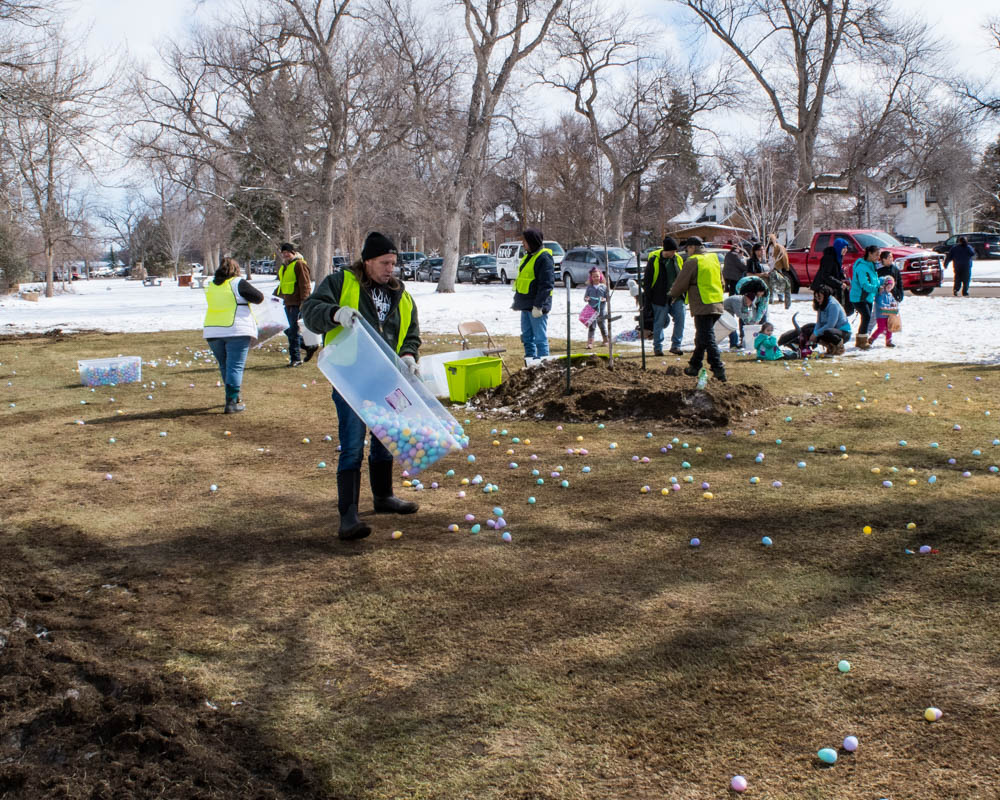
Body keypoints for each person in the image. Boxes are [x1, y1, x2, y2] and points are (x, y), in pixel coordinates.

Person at [301, 232, 421, 541]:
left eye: (393, 263)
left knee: (385, 438)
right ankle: (349, 516)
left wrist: (408, 355)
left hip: (386, 379)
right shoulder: (342, 283)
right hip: (350, 378)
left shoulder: (401, 295)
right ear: (367, 261)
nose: (389, 269)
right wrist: (334, 314)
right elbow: (310, 311)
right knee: (352, 444)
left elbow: (411, 333)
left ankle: (383, 497)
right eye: (384, 263)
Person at [203, 257, 265, 413]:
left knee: (225, 366)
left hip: (212, 330)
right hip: (236, 329)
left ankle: (233, 397)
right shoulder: (238, 283)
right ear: (236, 269)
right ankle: (231, 402)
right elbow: (259, 298)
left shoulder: (211, 285)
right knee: (235, 366)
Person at [668, 236, 727, 382]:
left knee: (708, 338)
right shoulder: (713, 258)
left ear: (693, 247)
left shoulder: (693, 261)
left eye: (687, 248)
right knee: (702, 337)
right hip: (717, 303)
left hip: (703, 305)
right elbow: (722, 282)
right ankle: (694, 366)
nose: (687, 251)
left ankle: (718, 369)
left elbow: (680, 283)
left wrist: (671, 295)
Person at [511, 227, 555, 365]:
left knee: (540, 339)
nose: (523, 244)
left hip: (537, 307)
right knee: (527, 338)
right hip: (525, 305)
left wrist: (538, 305)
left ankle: (544, 366)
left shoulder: (544, 258)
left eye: (525, 241)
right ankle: (530, 364)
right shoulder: (528, 257)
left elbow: (546, 284)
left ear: (532, 241)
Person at [642, 235, 685, 355]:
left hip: (677, 296)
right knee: (659, 322)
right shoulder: (654, 261)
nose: (674, 253)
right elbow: (647, 281)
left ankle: (676, 345)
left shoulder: (678, 259)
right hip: (659, 297)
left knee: (680, 320)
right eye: (672, 251)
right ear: (667, 250)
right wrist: (649, 299)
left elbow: (681, 276)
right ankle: (658, 348)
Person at [276, 242, 316, 366]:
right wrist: (275, 297)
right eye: (283, 253)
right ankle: (308, 346)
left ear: (293, 252)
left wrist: (304, 301)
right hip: (287, 302)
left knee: (292, 331)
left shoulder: (299, 264)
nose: (285, 254)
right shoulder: (285, 266)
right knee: (286, 329)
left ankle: (296, 359)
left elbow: (305, 284)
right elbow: (283, 284)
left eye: (287, 252)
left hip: (297, 303)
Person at [722, 275, 769, 350]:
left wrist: (756, 320)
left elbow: (762, 307)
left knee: (762, 318)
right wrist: (747, 320)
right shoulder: (742, 290)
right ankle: (744, 339)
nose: (760, 295)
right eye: (759, 294)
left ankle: (763, 340)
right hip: (740, 301)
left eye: (762, 294)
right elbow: (741, 310)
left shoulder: (765, 293)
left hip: (750, 299)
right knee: (744, 319)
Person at [849, 244, 881, 350]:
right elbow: (864, 285)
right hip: (858, 297)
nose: (878, 257)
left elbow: (874, 280)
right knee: (866, 316)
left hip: (868, 297)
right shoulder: (862, 267)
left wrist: (882, 283)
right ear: (870, 254)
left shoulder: (871, 266)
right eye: (876, 255)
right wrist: (877, 289)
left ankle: (862, 340)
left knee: (866, 318)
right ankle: (862, 341)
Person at [807, 285, 852, 355]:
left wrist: (816, 334)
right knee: (809, 328)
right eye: (816, 297)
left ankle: (839, 346)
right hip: (830, 329)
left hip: (843, 332)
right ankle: (830, 347)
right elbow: (819, 322)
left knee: (827, 331)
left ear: (825, 296)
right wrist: (814, 333)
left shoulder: (833, 305)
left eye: (819, 297)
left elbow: (830, 325)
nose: (817, 300)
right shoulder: (821, 304)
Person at [811, 237, 851, 311]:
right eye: (844, 248)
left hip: (831, 288)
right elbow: (825, 275)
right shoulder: (829, 258)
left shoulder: (838, 257)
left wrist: (843, 278)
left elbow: (836, 272)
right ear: (839, 247)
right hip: (823, 289)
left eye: (846, 248)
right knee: (825, 312)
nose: (846, 250)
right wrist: (839, 284)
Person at [869, 275, 900, 348]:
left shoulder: (890, 295)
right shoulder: (880, 294)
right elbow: (880, 303)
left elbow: (893, 302)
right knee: (881, 328)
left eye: (890, 287)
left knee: (890, 328)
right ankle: (872, 338)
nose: (889, 288)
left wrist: (894, 306)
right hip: (881, 315)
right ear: (884, 286)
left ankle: (888, 341)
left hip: (888, 314)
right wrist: (887, 307)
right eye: (888, 286)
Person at [583, 267, 608, 349]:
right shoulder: (589, 288)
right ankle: (590, 343)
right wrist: (587, 298)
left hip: (601, 310)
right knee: (592, 326)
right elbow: (585, 297)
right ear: (591, 278)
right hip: (591, 310)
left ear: (600, 276)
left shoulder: (604, 287)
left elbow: (608, 298)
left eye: (597, 276)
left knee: (602, 325)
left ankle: (606, 340)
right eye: (594, 276)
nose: (596, 278)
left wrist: (604, 299)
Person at [766, 233, 793, 308]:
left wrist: (786, 266)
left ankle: (780, 297)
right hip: (769, 267)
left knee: (779, 282)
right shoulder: (767, 248)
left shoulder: (778, 247)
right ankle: (770, 299)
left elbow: (784, 257)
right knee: (769, 283)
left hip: (777, 267)